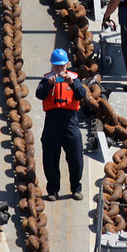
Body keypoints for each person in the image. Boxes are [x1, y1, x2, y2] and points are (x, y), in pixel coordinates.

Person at [35, 48, 87, 201]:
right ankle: (52, 190)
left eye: (62, 66)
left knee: (76, 157)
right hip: (52, 121)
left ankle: (76, 188)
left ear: (67, 65)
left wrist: (73, 84)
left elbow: (82, 95)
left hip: (70, 121)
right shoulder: (46, 80)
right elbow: (39, 94)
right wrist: (49, 85)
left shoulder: (74, 79)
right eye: (57, 66)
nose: (59, 69)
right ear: (52, 65)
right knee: (50, 158)